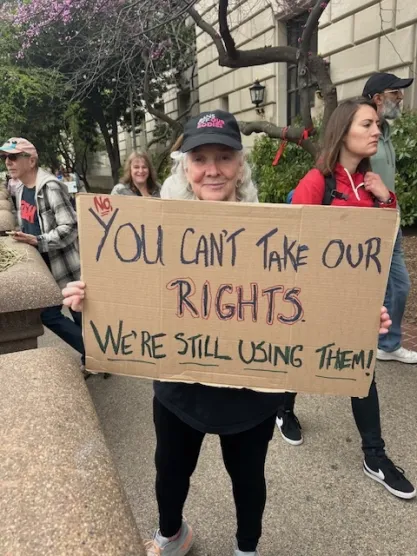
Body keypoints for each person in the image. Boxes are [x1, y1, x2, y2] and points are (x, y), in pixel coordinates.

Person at [62, 109, 393, 556]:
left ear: (240, 166)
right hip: (180, 388)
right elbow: (135, 295)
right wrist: (92, 300)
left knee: (248, 478)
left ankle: (247, 548)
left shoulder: (278, 234)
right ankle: (172, 535)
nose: (212, 169)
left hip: (250, 392)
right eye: (200, 159)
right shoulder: (155, 231)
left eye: (223, 157)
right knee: (170, 472)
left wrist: (354, 319)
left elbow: (312, 293)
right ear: (186, 168)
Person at [275, 99, 415, 500]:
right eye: (367, 124)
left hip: (354, 302)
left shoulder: (370, 184)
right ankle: (284, 410)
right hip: (310, 298)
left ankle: (375, 455)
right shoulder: (317, 181)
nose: (376, 131)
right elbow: (288, 245)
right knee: (297, 357)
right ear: (343, 131)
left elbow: (383, 242)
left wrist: (385, 198)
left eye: (376, 125)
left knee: (361, 371)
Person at [0, 138, 85, 371]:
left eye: (14, 157)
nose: (8, 162)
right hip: (43, 269)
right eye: (6, 157)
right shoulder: (19, 189)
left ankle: (95, 357)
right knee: (48, 314)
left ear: (32, 160)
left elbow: (70, 227)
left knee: (79, 317)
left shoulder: (50, 187)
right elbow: (28, 223)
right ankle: (94, 355)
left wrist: (38, 241)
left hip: (65, 268)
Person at [362, 72, 417, 364]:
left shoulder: (386, 134)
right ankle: (380, 343)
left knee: (394, 285)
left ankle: (387, 342)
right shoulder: (361, 135)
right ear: (378, 99)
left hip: (390, 218)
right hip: (371, 224)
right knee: (385, 286)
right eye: (396, 93)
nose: (401, 98)